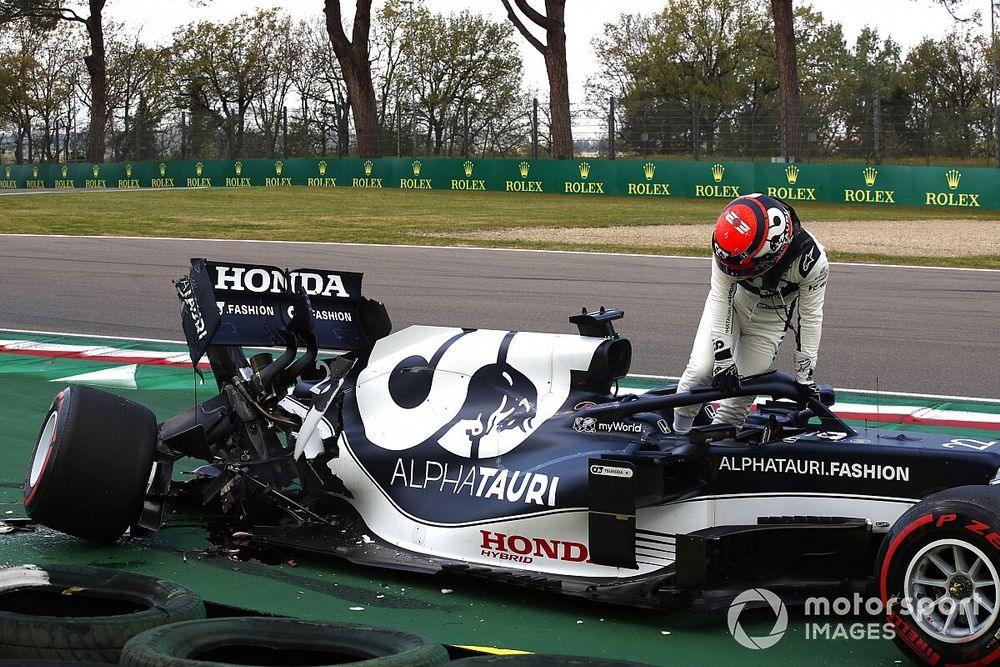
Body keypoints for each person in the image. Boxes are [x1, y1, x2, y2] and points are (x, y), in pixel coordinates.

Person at [672, 193, 829, 434]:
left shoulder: (812, 262)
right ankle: (677, 434)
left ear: (775, 254)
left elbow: (810, 318)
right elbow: (720, 296)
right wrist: (723, 360)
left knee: (739, 399)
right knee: (700, 371)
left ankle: (718, 453)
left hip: (770, 322)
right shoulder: (729, 242)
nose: (732, 271)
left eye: (745, 268)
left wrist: (805, 375)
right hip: (730, 305)